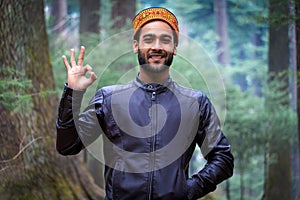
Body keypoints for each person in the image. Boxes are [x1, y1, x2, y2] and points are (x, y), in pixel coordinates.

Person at [56, 7, 234, 200]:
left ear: (174, 47)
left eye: (165, 40)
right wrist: (73, 92)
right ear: (135, 46)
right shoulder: (108, 99)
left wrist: (190, 189)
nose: (156, 47)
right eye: (148, 39)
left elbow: (222, 159)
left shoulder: (195, 103)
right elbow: (67, 146)